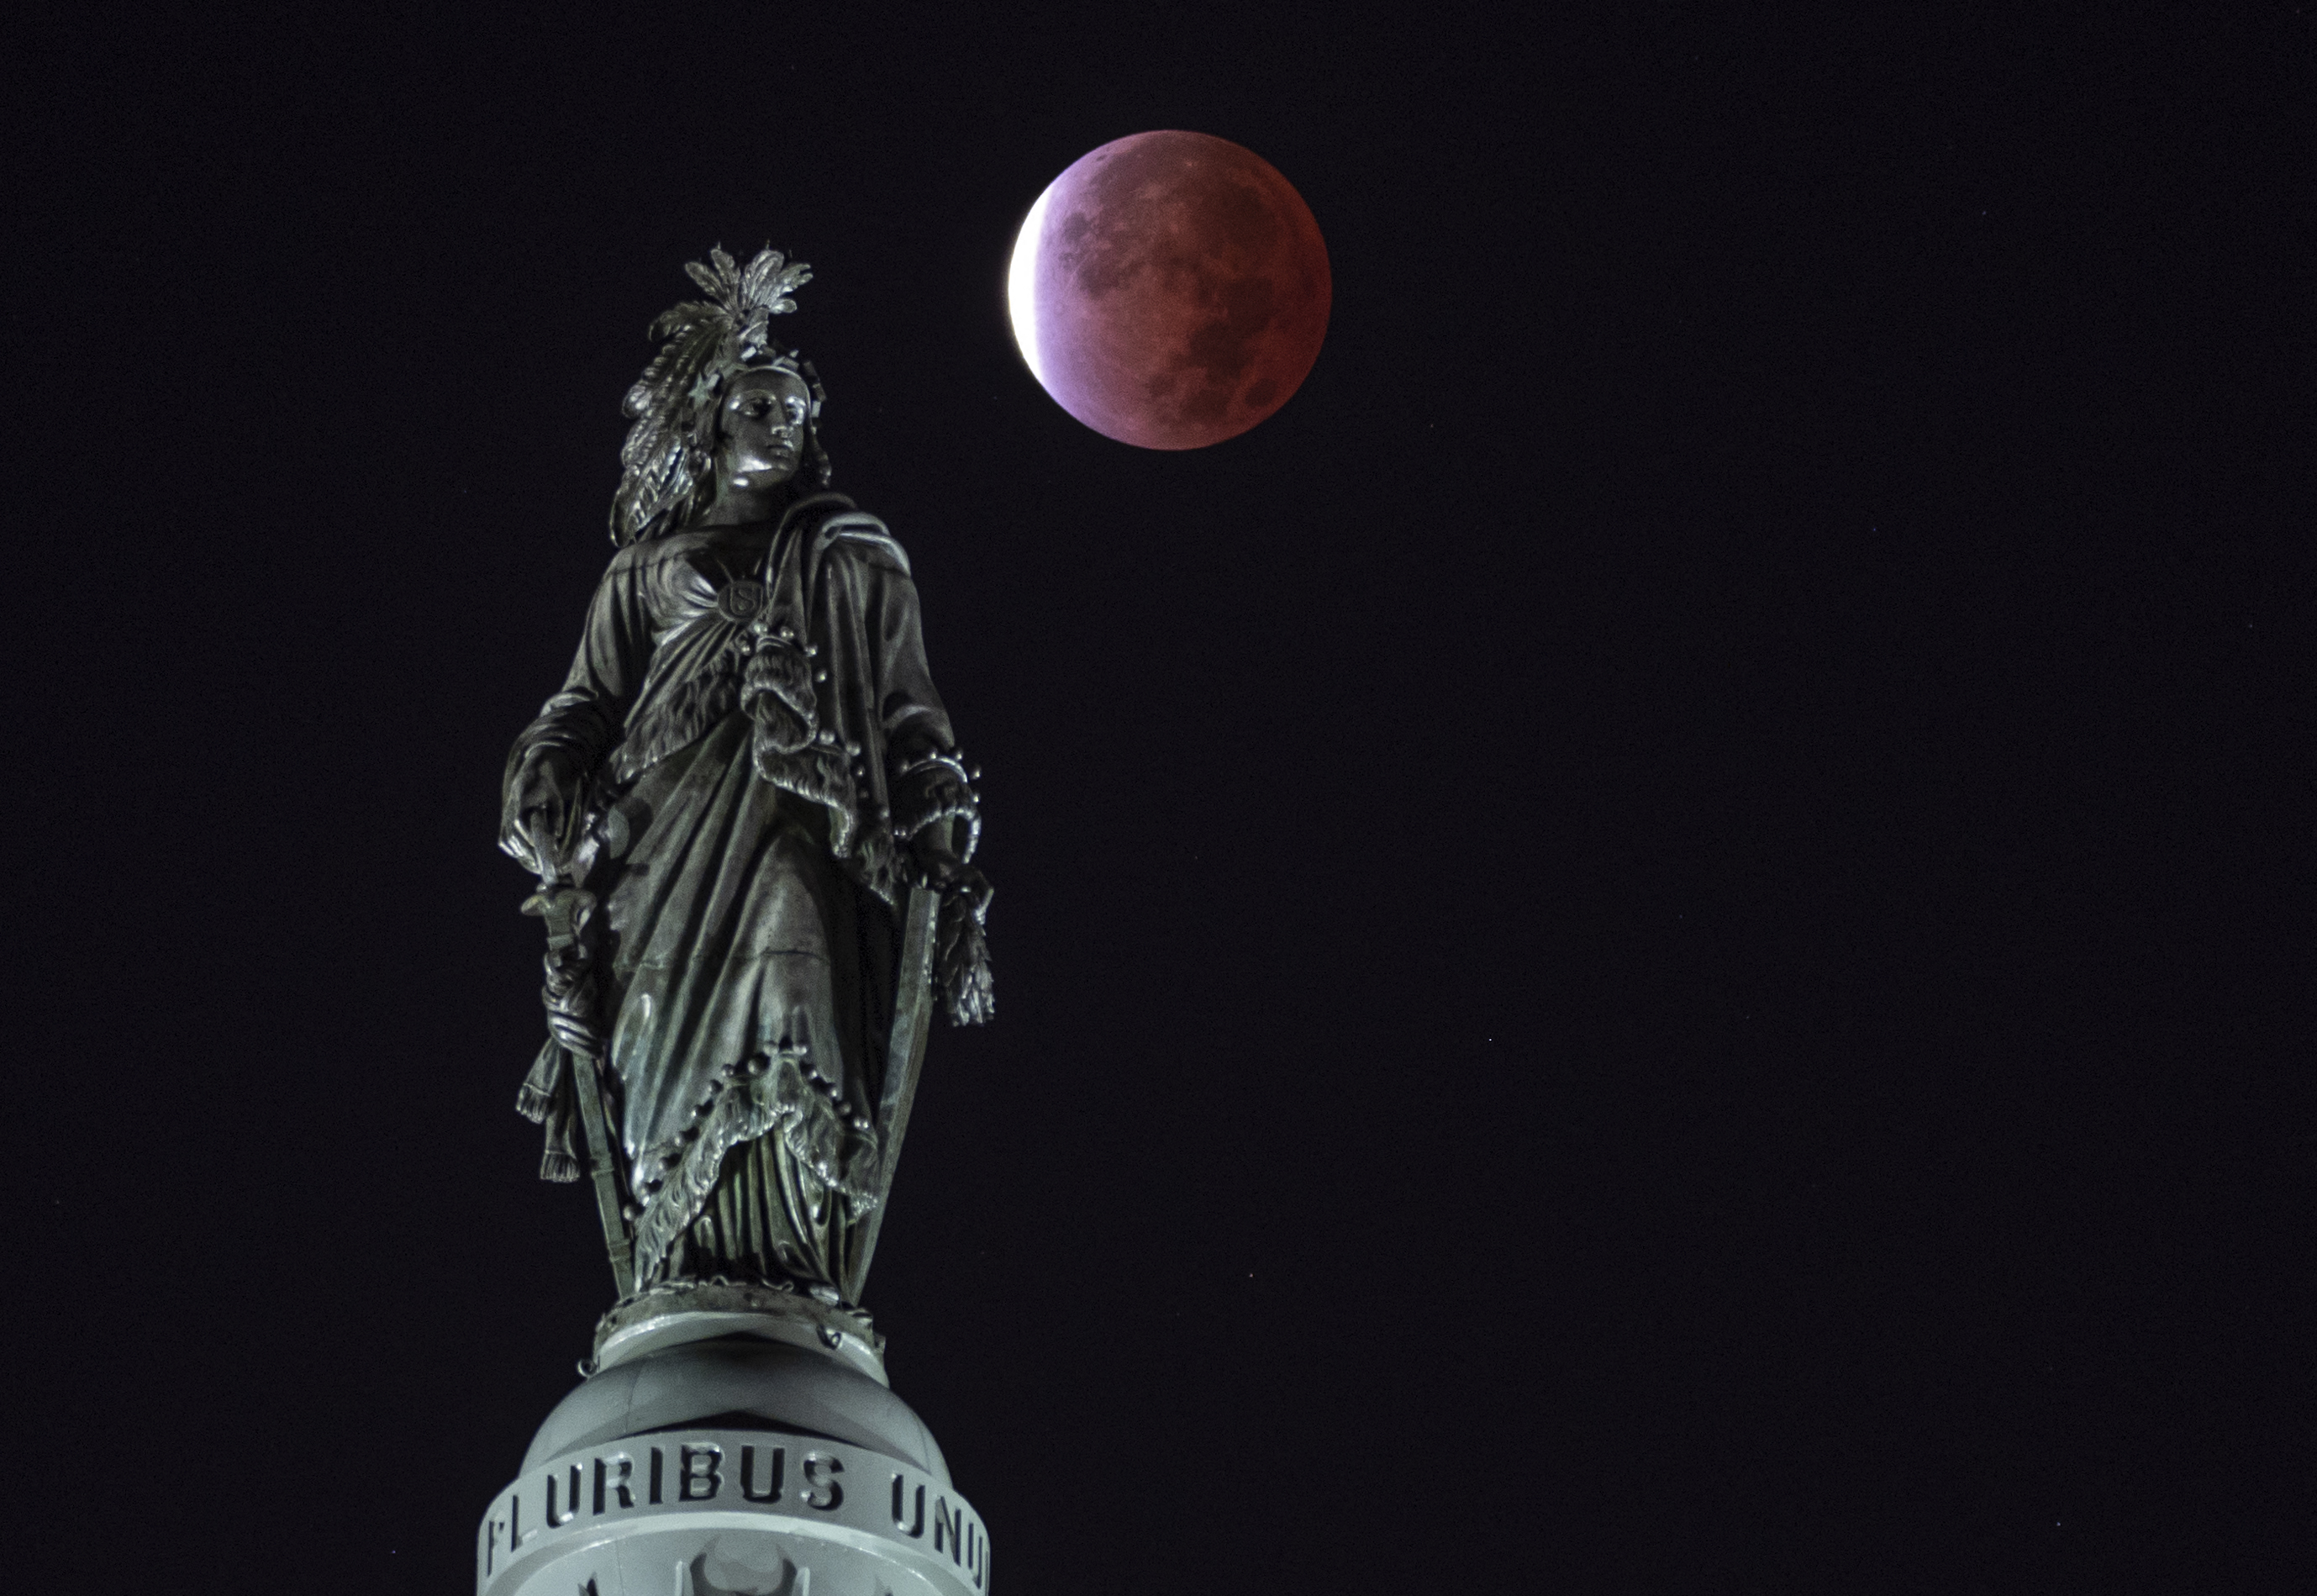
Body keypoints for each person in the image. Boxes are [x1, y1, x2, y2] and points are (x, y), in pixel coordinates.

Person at [498, 246, 992, 1301]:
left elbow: (910, 704)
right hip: (654, 840)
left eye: (797, 412)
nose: (783, 426)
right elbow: (585, 702)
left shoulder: (855, 555)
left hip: (806, 821)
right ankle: (674, 1270)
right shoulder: (640, 568)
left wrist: (937, 805)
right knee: (654, 1042)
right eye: (760, 407)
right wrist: (543, 778)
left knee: (793, 950)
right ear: (714, 423)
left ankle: (795, 1266)